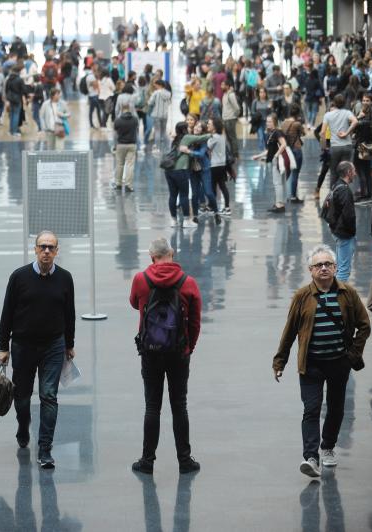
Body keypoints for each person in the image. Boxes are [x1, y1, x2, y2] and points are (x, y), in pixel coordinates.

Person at [273, 244, 370, 478]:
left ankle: (327, 447)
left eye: (328, 264)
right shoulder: (302, 296)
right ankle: (311, 457)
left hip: (339, 362)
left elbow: (364, 325)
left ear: (335, 268)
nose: (324, 268)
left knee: (336, 408)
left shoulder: (348, 294)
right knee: (312, 408)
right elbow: (289, 331)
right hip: (312, 363)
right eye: (319, 265)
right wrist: (280, 361)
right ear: (310, 270)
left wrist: (353, 356)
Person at [0, 231, 76, 469]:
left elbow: (69, 313)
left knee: (49, 396)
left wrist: (69, 344)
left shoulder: (65, 278)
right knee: (21, 398)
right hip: (23, 345)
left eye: (51, 247)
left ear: (57, 251)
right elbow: (7, 313)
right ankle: (23, 425)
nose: (46, 251)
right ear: (35, 249)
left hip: (53, 345)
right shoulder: (19, 277)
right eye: (42, 247)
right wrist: (4, 346)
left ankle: (45, 449)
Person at [128, 237, 202, 475]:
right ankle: (184, 460)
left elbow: (133, 303)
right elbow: (196, 321)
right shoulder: (187, 282)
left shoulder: (141, 280)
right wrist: (188, 346)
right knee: (179, 405)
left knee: (152, 407)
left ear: (152, 257)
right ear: (172, 253)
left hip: (150, 352)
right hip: (179, 352)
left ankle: (147, 461)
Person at [165, 122, 211, 228]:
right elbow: (203, 137)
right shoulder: (186, 138)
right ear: (185, 129)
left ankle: (173, 220)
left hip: (169, 171)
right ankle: (186, 221)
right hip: (180, 171)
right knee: (184, 195)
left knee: (172, 195)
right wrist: (212, 132)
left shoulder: (175, 140)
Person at [252, 114, 289, 213]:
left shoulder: (277, 132)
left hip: (277, 161)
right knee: (280, 183)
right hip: (276, 160)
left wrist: (276, 156)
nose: (268, 123)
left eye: (270, 122)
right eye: (267, 121)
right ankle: (280, 203)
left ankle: (279, 205)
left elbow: (284, 144)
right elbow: (269, 150)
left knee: (277, 183)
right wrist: (258, 156)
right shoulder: (272, 133)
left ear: (275, 122)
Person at [321, 95, 358, 187]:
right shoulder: (347, 113)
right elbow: (355, 121)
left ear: (334, 103)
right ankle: (344, 191)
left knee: (333, 171)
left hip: (335, 146)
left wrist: (324, 146)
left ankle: (333, 193)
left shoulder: (328, 115)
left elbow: (322, 132)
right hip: (347, 146)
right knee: (346, 171)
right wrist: (346, 133)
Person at [111, 102, 138, 192]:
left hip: (120, 145)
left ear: (121, 110)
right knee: (130, 165)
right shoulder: (135, 120)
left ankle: (118, 184)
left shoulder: (118, 120)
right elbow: (137, 131)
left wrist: (114, 145)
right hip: (132, 144)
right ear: (129, 109)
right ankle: (128, 185)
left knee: (119, 164)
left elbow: (114, 135)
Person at [148, 79, 172, 153]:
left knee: (157, 131)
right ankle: (168, 146)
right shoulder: (168, 93)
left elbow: (150, 102)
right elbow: (169, 102)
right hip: (165, 115)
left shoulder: (156, 93)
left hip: (156, 114)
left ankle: (157, 148)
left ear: (159, 85)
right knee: (164, 132)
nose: (155, 86)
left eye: (156, 85)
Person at [220, 80, 240, 157]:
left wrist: (234, 116)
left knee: (232, 137)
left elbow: (237, 108)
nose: (221, 86)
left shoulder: (230, 95)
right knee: (228, 137)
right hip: (225, 119)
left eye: (223, 85)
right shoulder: (224, 95)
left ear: (227, 86)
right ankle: (232, 153)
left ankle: (235, 153)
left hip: (230, 119)